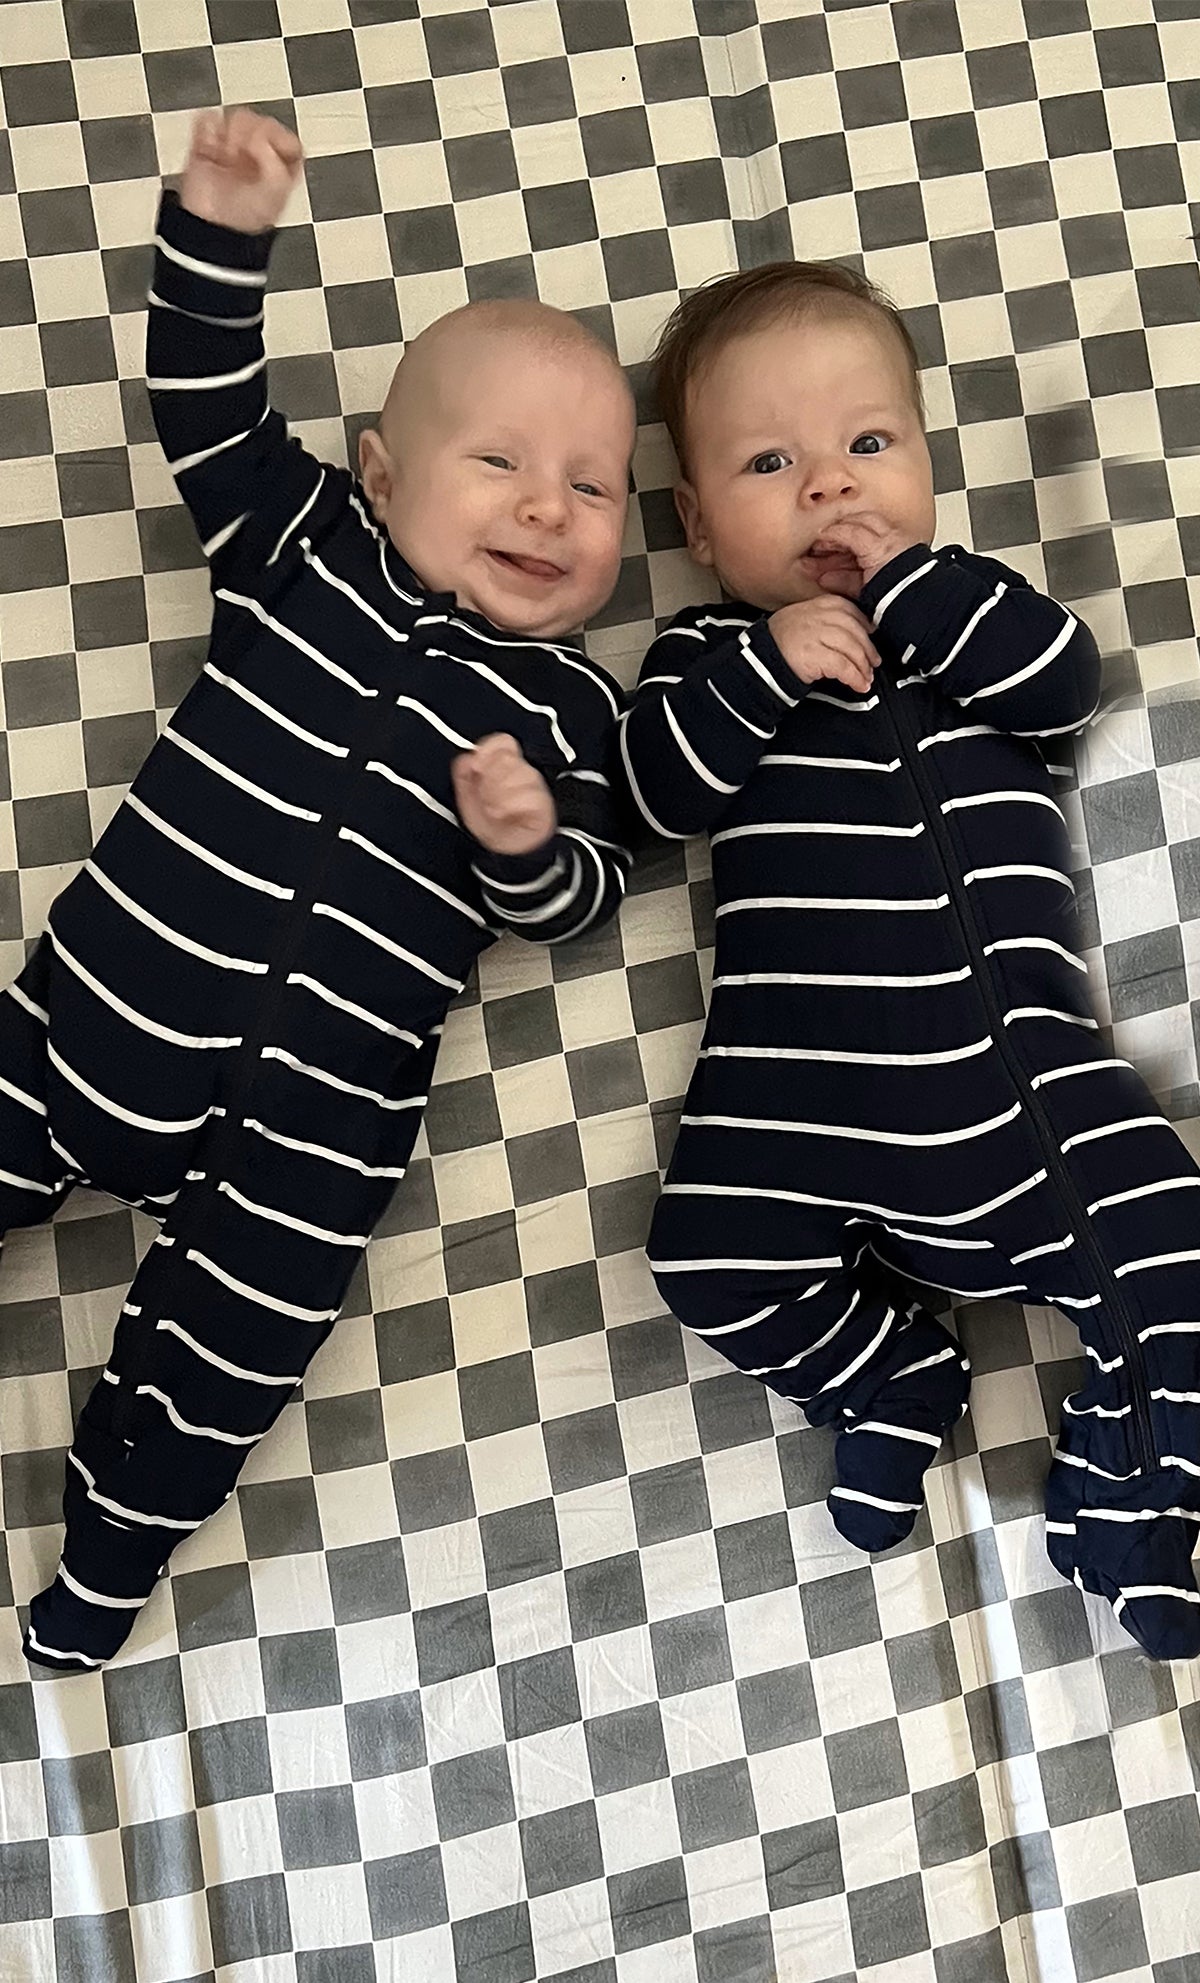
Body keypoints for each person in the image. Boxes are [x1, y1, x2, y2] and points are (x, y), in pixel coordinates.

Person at [13, 109, 636, 1671]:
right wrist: (219, 237)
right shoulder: (302, 545)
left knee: (239, 1348)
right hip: (107, 1004)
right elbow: (208, 409)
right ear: (379, 471)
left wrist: (527, 849)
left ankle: (111, 1551)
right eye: (498, 462)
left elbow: (587, 893)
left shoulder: (570, 715)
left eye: (600, 487)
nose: (550, 507)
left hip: (322, 1118)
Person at [619, 259, 1200, 1661]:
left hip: (1027, 1092)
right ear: (699, 525)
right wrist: (766, 665)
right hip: (796, 1098)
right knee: (702, 1252)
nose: (829, 486)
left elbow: (1068, 690)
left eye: (868, 445)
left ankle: (1132, 1507)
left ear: (927, 465)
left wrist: (930, 591)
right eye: (771, 462)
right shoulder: (707, 656)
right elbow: (652, 795)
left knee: (1179, 1253)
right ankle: (885, 1368)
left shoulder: (969, 628)